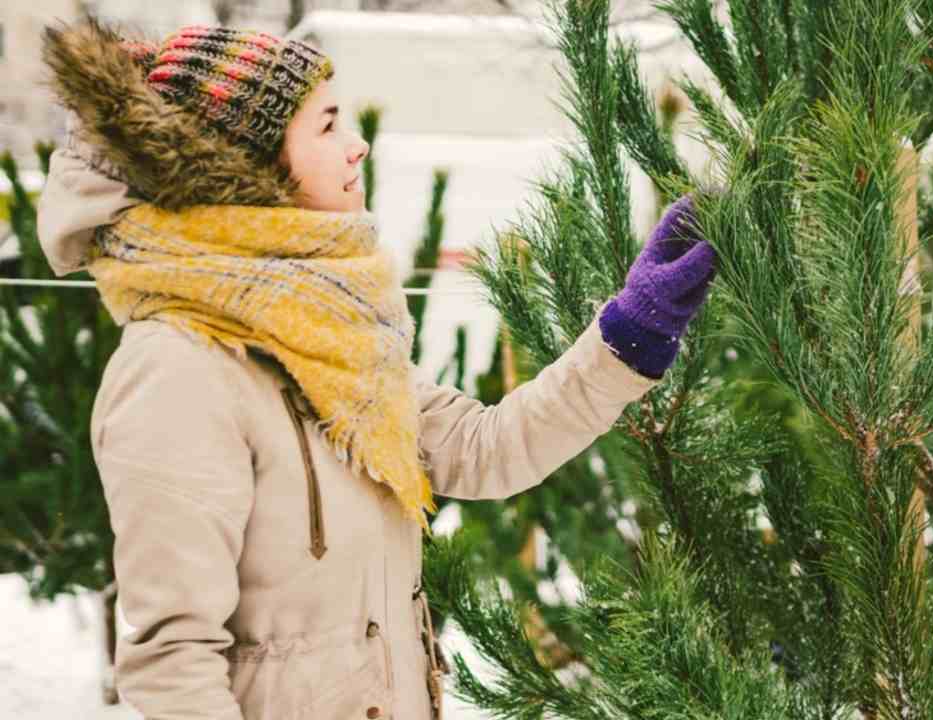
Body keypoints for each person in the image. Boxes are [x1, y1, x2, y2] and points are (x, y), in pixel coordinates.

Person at [36, 17, 717, 720]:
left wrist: (632, 331)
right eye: (327, 126)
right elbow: (172, 664)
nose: (357, 144)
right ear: (247, 167)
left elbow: (487, 450)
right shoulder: (179, 371)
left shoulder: (329, 336)